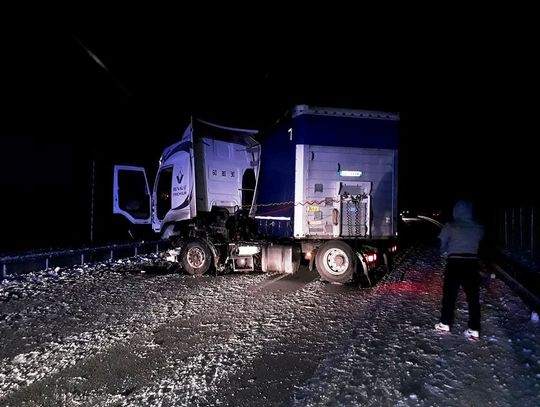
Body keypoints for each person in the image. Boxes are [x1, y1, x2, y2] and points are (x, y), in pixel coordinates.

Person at [435, 199, 485, 340]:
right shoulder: (478, 227)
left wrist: (444, 253)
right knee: (473, 298)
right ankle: (474, 329)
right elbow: (481, 242)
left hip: (454, 263)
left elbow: (442, 243)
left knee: (449, 295)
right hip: (471, 263)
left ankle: (445, 323)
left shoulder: (450, 226)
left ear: (455, 211)